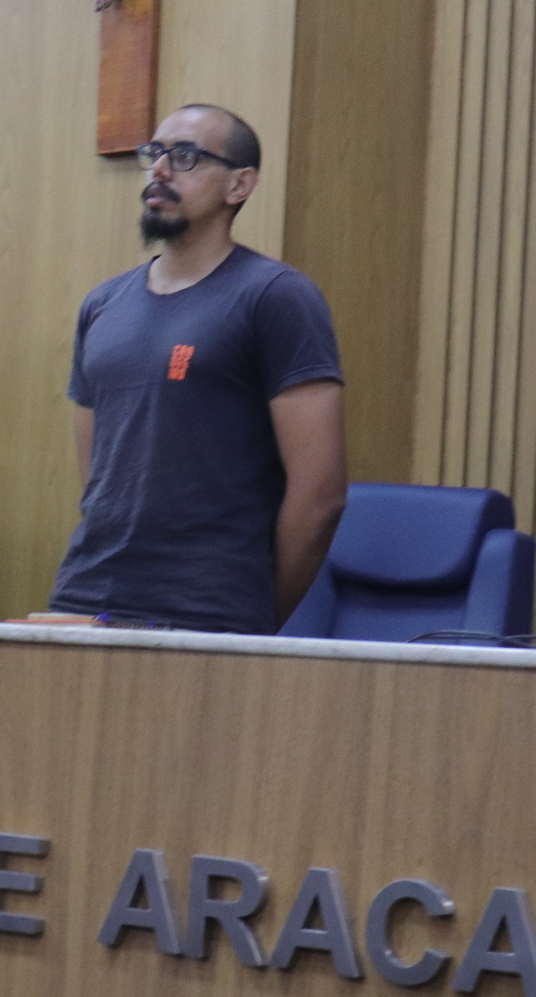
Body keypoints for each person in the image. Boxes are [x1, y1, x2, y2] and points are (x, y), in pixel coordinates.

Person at [46, 104, 348, 634]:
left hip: (206, 611)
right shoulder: (102, 305)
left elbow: (320, 496)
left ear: (239, 184)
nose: (160, 170)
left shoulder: (276, 297)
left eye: (185, 156)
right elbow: (99, 480)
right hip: (85, 594)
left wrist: (256, 615)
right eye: (154, 153)